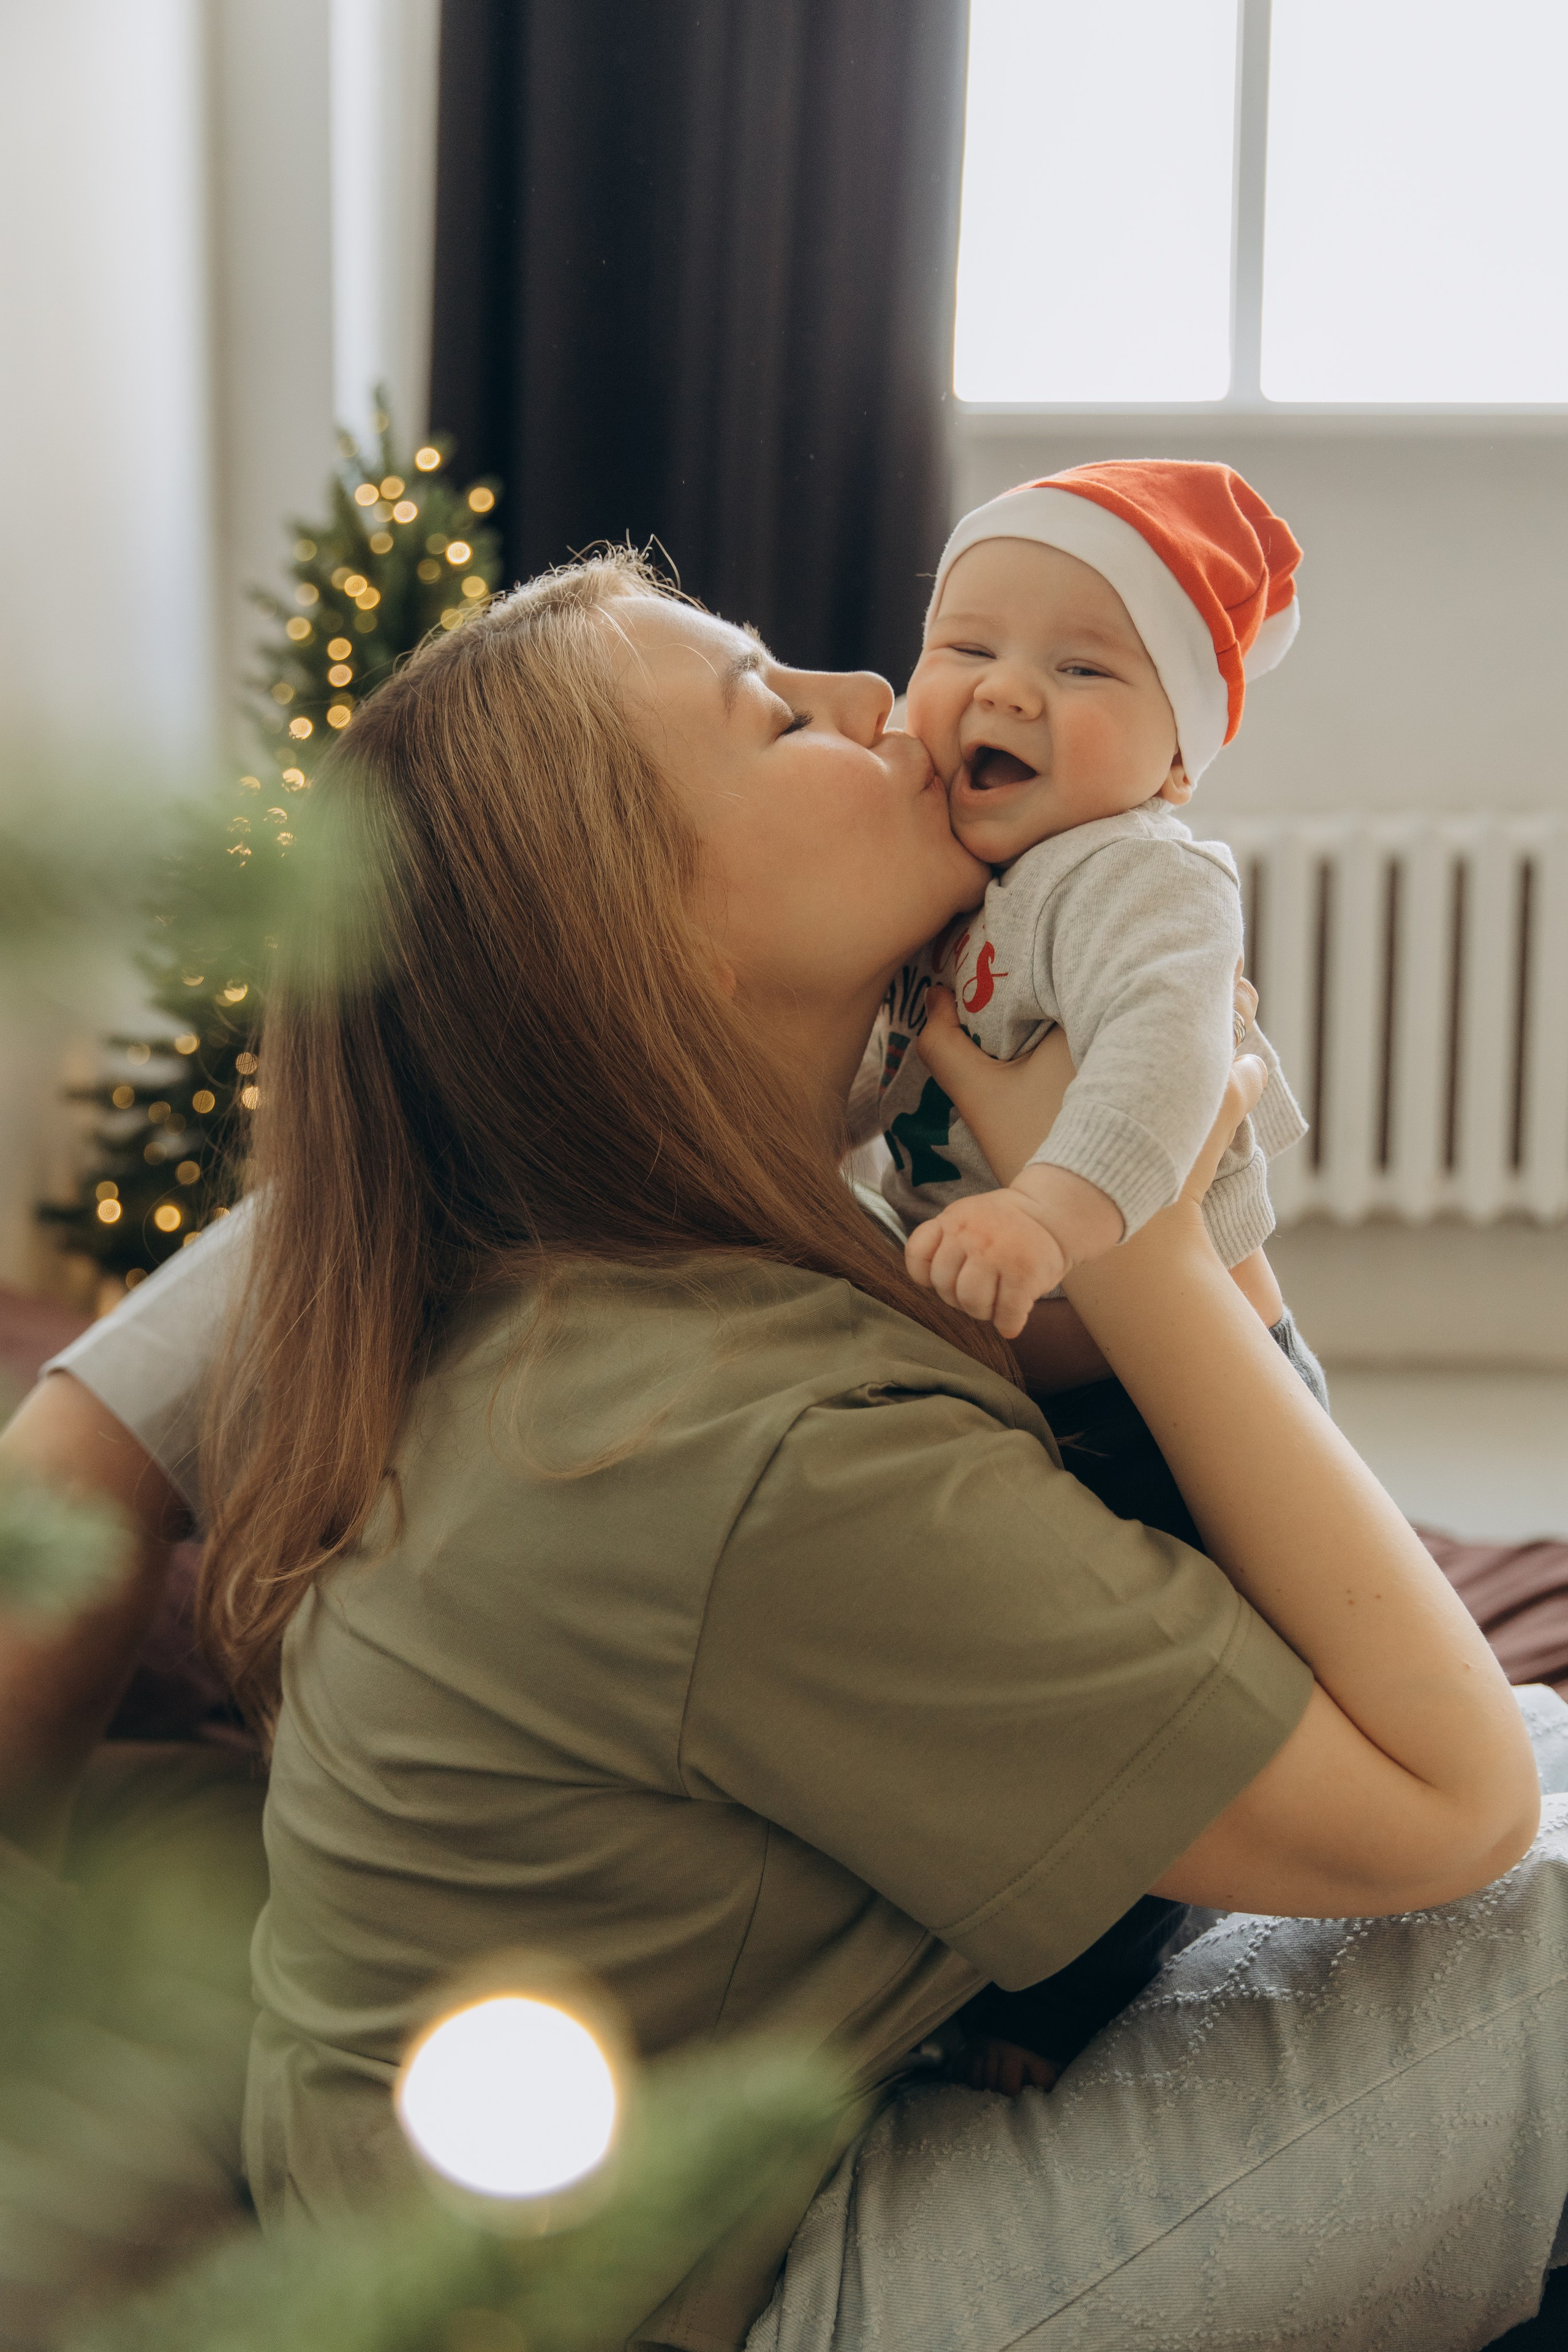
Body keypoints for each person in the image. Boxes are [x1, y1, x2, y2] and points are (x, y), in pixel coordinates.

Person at [1, 549, 1565, 2352]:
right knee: (1543, 1908)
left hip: (523, 2181)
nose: (879, 703)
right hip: (686, 2296)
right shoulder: (748, 1455)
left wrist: (1149, 1169)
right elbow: (1453, 1811)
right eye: (771, 709)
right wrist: (1144, 1238)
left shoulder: (546, 1231)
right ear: (640, 943)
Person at [881, 459, 1307, 1340]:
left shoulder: (1134, 872)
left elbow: (1166, 1058)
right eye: (968, 650)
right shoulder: (942, 867)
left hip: (1177, 1388)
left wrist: (1046, 1214)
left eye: (1080, 668)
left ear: (1177, 763)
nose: (1003, 689)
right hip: (1014, 1364)